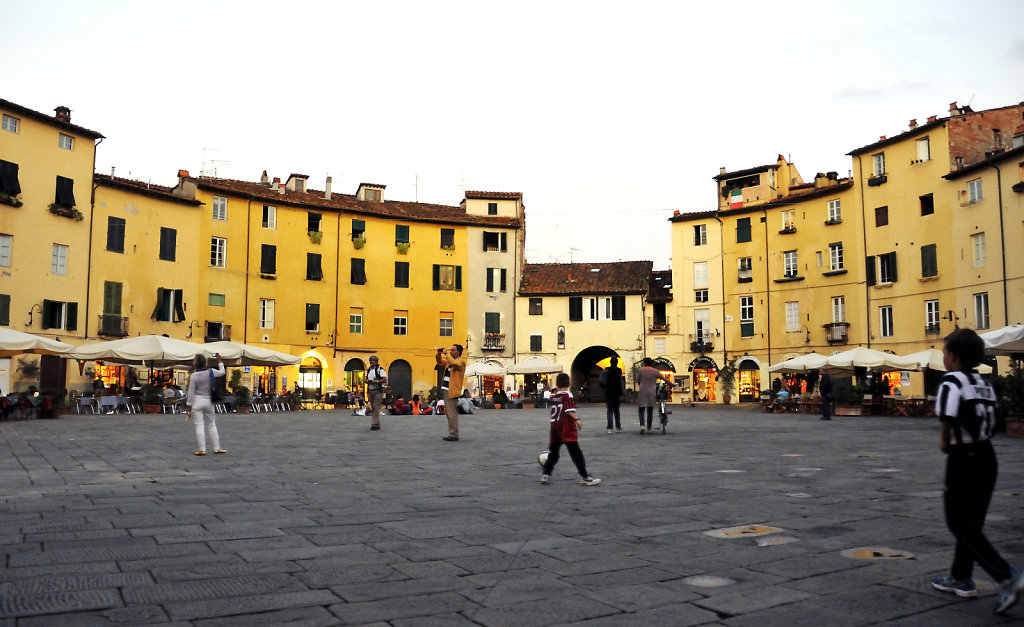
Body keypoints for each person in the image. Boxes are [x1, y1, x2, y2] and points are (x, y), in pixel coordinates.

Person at [930, 329, 1023, 615]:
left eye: (945, 352)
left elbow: (947, 416)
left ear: (953, 357)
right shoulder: (984, 382)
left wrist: (944, 439)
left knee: (959, 523)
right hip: (987, 456)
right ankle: (961, 578)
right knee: (972, 523)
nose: (943, 357)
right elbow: (994, 418)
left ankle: (1007, 575)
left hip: (963, 457)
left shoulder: (951, 381)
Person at [540, 372, 600, 486]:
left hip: (555, 428)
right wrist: (577, 419)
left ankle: (545, 475)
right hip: (566, 428)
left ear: (556, 384)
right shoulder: (568, 395)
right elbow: (569, 411)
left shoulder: (556, 396)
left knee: (554, 454)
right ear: (569, 383)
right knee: (576, 454)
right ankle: (585, 477)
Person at [185, 353, 226, 456]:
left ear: (195, 363)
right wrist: (219, 361)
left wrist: (188, 405)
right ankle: (217, 447)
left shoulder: (194, 376)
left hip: (197, 402)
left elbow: (191, 392)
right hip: (209, 401)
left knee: (199, 425)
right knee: (212, 424)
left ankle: (202, 449)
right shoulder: (211, 372)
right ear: (205, 362)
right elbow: (222, 372)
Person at [436, 344, 466, 441]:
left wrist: (446, 354)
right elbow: (440, 362)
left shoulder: (461, 362)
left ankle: (454, 434)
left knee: (452, 413)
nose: (451, 351)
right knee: (449, 413)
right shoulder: (449, 362)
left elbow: (455, 364)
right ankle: (451, 432)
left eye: (453, 350)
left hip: (452, 391)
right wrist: (439, 354)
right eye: (451, 350)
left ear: (458, 352)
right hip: (446, 389)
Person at [636, 357, 669, 434]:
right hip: (651, 392)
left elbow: (638, 380)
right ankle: (649, 428)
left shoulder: (641, 370)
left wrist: (641, 384)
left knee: (641, 409)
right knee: (650, 410)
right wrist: (672, 385)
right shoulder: (655, 371)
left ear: (644, 363)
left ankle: (642, 426)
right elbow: (664, 379)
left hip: (642, 391)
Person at [600, 357, 624, 434]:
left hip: (608, 392)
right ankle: (618, 427)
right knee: (617, 410)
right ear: (617, 363)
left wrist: (605, 388)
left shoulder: (606, 370)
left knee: (610, 410)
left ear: (610, 362)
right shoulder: (619, 370)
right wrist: (621, 393)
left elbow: (602, 381)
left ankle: (609, 428)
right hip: (617, 392)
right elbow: (620, 383)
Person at [365, 355, 388, 431]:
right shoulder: (368, 370)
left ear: (376, 362)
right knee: (373, 407)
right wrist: (366, 381)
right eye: (370, 360)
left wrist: (376, 381)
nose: (371, 362)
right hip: (370, 390)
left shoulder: (380, 370)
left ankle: (374, 424)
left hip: (378, 391)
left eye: (373, 360)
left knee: (375, 407)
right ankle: (377, 423)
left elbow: (385, 379)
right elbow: (366, 378)